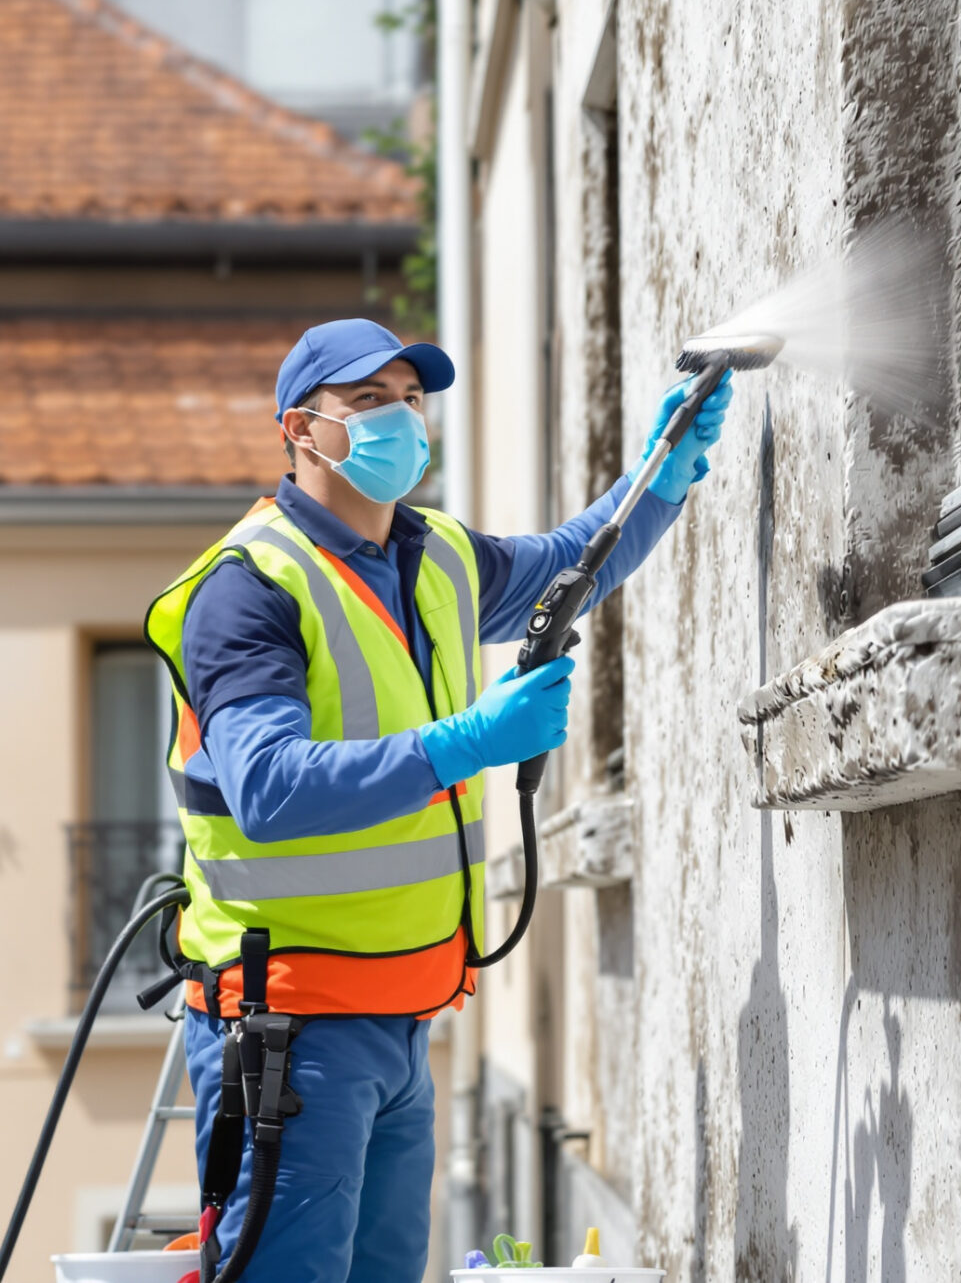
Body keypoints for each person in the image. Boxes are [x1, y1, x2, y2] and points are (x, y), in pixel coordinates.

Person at [142, 318, 730, 1282]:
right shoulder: (249, 588)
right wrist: (471, 742)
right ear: (301, 428)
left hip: (404, 1023)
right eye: (369, 403)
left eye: (412, 400)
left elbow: (571, 565)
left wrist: (658, 478)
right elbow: (270, 789)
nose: (402, 421)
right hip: (292, 1033)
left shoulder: (436, 555)